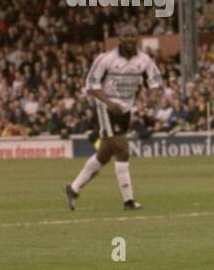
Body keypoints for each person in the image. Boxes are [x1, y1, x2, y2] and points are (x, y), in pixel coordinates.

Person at [63, 24, 161, 211]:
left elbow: (155, 82)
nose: (130, 39)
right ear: (120, 38)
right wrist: (109, 103)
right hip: (107, 109)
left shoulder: (144, 59)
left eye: (133, 36)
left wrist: (153, 97)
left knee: (105, 154)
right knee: (123, 150)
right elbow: (92, 85)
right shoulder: (106, 59)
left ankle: (73, 188)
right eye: (126, 36)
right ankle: (129, 201)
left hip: (126, 110)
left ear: (137, 38)